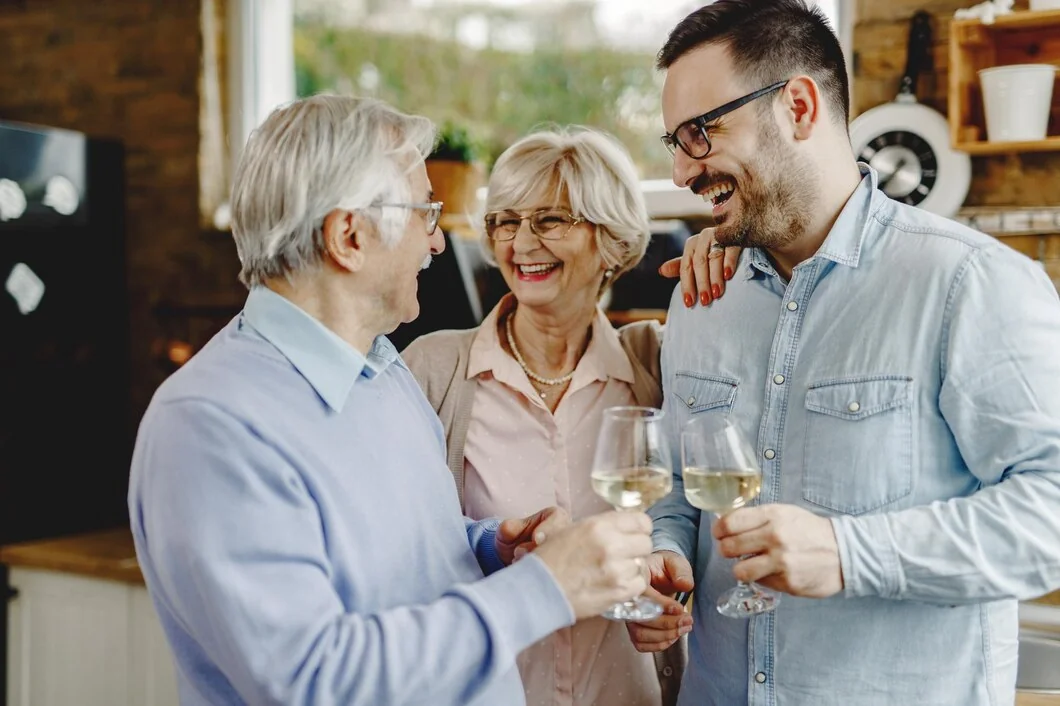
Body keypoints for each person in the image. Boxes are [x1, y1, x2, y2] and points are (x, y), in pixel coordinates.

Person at [127, 94, 660, 706]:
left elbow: (399, 561)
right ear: (349, 237)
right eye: (424, 214)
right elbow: (317, 681)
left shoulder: (383, 373)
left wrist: (488, 545)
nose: (437, 244)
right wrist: (546, 588)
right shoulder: (209, 427)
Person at [627, 1, 1060, 705]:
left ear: (798, 107)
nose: (681, 172)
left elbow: (1050, 515)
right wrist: (665, 555)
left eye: (700, 134)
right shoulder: (704, 294)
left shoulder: (968, 283)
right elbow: (679, 486)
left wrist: (848, 554)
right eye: (674, 142)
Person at [402, 126, 735, 706]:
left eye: (550, 220)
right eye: (506, 222)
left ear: (610, 241)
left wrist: (670, 595)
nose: (521, 243)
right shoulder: (432, 370)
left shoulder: (659, 361)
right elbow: (400, 549)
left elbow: (702, 513)